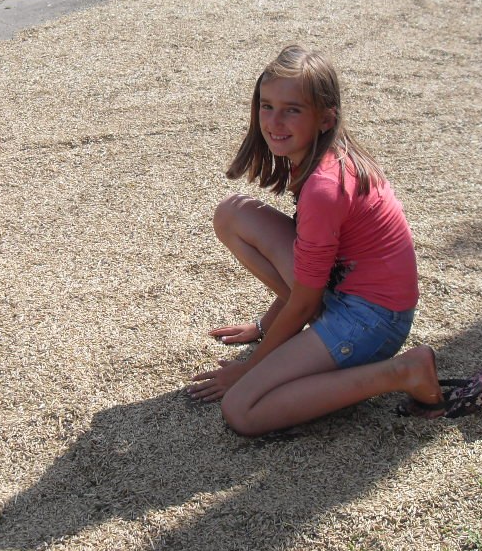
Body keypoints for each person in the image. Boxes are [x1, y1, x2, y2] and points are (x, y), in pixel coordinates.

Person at [187, 45, 446, 437]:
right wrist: (265, 325)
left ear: (326, 118)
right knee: (232, 214)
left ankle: (401, 372)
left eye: (292, 110)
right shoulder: (325, 156)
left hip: (371, 320)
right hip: (348, 291)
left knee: (242, 409)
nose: (274, 121)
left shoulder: (324, 187)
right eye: (267, 106)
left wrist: (250, 367)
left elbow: (306, 299)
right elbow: (311, 271)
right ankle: (317, 346)